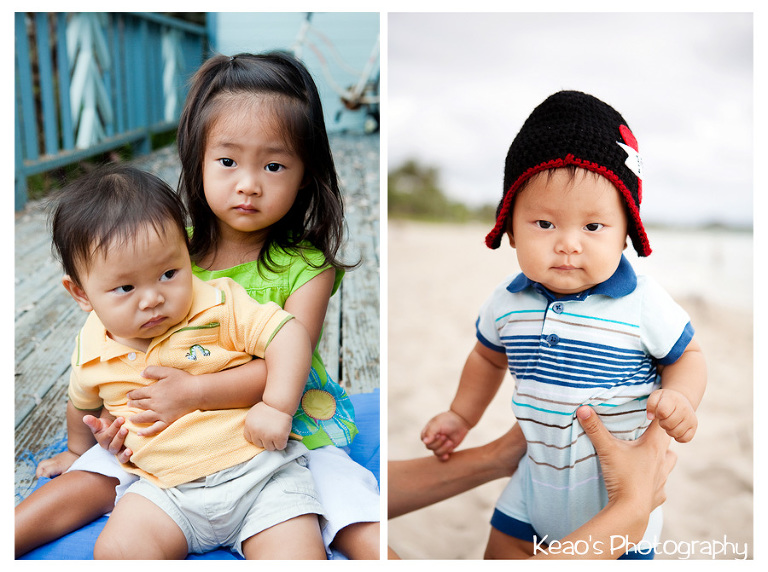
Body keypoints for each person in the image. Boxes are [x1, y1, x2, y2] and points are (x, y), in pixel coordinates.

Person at [15, 51, 380, 560]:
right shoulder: (169, 254)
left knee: (347, 502)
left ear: (304, 173)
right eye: (227, 162)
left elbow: (283, 359)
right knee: (93, 472)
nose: (248, 183)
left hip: (278, 419)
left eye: (273, 165)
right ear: (198, 159)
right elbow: (110, 347)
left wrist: (194, 393)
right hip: (170, 432)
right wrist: (103, 435)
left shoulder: (305, 267)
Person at [420, 91, 707, 559]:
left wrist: (680, 398)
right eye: (544, 223)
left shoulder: (641, 303)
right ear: (509, 226)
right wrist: (461, 415)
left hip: (617, 492)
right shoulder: (508, 301)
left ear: (625, 234)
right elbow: (486, 358)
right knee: (502, 549)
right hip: (535, 478)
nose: (568, 244)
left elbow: (688, 356)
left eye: (593, 227)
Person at [47, 164, 324, 559]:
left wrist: (277, 405)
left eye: (169, 272)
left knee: (296, 557)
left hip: (259, 474)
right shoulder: (90, 348)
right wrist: (78, 450)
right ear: (81, 294)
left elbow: (289, 334)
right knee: (117, 550)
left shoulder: (218, 302)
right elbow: (81, 404)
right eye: (125, 287)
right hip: (164, 490)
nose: (152, 298)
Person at [390, 406, 678, 559]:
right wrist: (629, 510)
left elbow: (686, 353)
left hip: (533, 484)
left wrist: (498, 455)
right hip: (537, 509)